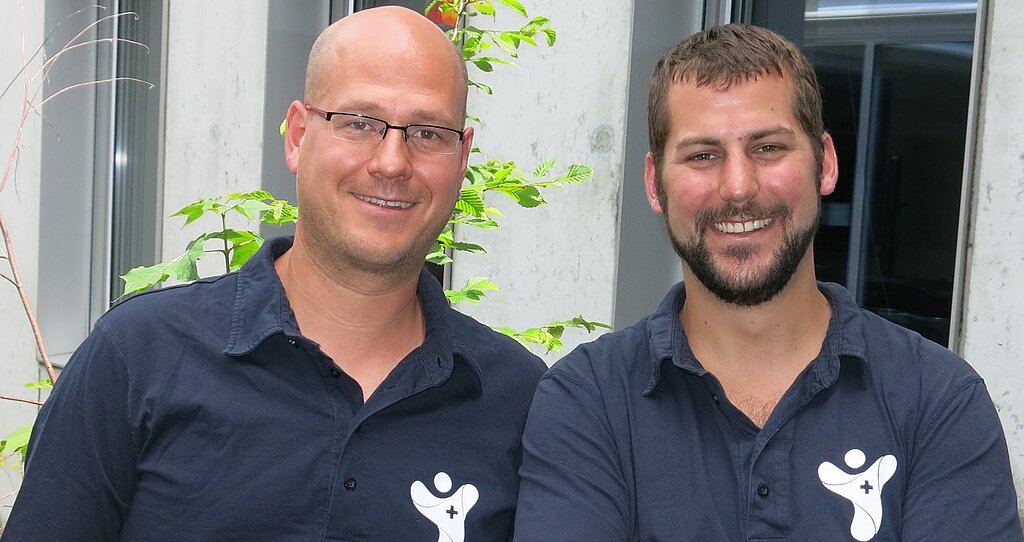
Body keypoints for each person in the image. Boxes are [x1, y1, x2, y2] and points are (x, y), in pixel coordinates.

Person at [3, 7, 545, 541]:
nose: (391, 162)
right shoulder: (137, 358)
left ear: (462, 156)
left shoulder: (519, 398)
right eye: (359, 123)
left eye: (427, 132)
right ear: (297, 136)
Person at [513, 24, 1022, 541]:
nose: (738, 187)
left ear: (824, 163)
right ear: (654, 184)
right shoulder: (588, 403)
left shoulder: (938, 401)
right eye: (702, 155)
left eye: (768, 148)